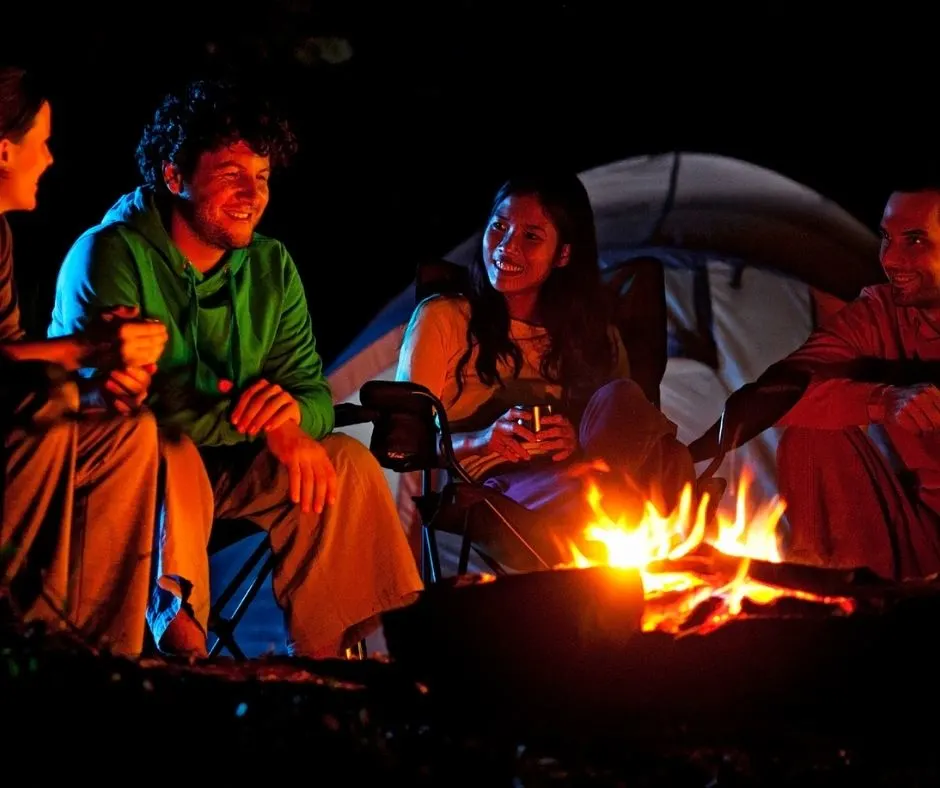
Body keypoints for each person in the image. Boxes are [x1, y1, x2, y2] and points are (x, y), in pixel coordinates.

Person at [48, 78, 423, 658]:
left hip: (227, 471)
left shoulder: (271, 267)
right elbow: (121, 412)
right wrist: (264, 423)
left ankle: (333, 664)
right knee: (169, 449)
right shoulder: (108, 256)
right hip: (124, 480)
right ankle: (185, 653)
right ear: (175, 177)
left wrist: (293, 413)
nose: (252, 193)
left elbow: (312, 392)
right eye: (230, 175)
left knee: (343, 463)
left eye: (263, 177)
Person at [395, 171, 695, 570]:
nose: (506, 247)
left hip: (588, 469)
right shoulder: (444, 319)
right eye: (499, 227)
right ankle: (643, 523)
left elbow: (624, 424)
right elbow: (404, 444)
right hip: (498, 485)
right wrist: (483, 440)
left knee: (623, 399)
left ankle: (616, 495)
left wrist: (575, 442)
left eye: (531, 236)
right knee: (643, 477)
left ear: (563, 254)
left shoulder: (591, 334)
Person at [687, 177, 940, 581]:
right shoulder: (881, 313)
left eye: (914, 241)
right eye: (885, 239)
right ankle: (843, 607)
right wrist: (882, 399)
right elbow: (786, 389)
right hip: (923, 537)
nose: (891, 260)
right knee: (811, 433)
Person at [0, 65, 171, 656]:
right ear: (4, 150)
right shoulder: (109, 248)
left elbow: (9, 357)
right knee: (48, 395)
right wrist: (87, 349)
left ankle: (101, 653)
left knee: (125, 429)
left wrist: (107, 374)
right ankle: (24, 631)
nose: (48, 160)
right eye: (41, 143)